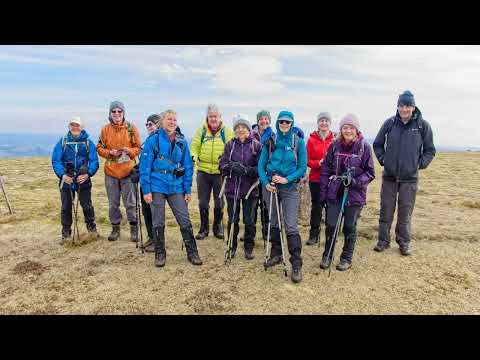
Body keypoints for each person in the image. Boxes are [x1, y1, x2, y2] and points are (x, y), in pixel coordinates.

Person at [372, 90, 436, 256]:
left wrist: (418, 164)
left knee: (405, 213)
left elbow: (430, 150)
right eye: (401, 105)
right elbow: (377, 144)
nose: (404, 109)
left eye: (408, 106)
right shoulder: (390, 123)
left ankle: (403, 243)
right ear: (398, 106)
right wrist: (383, 160)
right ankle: (383, 241)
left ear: (413, 107)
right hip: (390, 177)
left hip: (410, 179)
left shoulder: (423, 126)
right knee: (386, 209)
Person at [139, 110, 202, 267]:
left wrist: (187, 189)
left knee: (184, 219)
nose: (172, 122)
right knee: (158, 220)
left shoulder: (181, 141)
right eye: (169, 119)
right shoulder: (153, 140)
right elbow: (145, 166)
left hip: (175, 185)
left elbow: (188, 165)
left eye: (174, 119)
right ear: (162, 121)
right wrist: (146, 190)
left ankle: (192, 252)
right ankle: (160, 254)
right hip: (157, 184)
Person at [319, 114, 375, 271]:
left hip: (355, 194)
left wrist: (355, 181)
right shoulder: (334, 146)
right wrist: (323, 194)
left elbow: (370, 173)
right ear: (341, 129)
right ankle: (327, 255)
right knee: (331, 225)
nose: (348, 130)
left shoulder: (364, 147)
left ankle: (346, 258)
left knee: (349, 226)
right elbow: (325, 170)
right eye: (345, 127)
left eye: (351, 127)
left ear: (356, 129)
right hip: (335, 192)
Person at [258, 110, 307, 283]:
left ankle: (296, 263)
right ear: (278, 123)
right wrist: (265, 182)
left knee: (290, 226)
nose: (284, 125)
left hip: (290, 188)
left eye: (287, 122)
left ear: (292, 123)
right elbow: (261, 165)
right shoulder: (270, 141)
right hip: (270, 188)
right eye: (281, 122)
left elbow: (302, 167)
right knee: (273, 221)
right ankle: (276, 254)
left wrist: (287, 178)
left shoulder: (298, 142)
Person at [96, 101, 141, 242]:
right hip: (111, 172)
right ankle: (115, 229)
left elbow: (139, 147)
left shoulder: (131, 128)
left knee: (130, 203)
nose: (116, 114)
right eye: (113, 111)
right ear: (110, 114)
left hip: (128, 171)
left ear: (123, 113)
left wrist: (129, 151)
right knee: (113, 203)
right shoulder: (105, 130)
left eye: (119, 111)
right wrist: (110, 153)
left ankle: (134, 229)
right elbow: (99, 148)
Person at [219, 114, 262, 260]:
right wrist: (232, 166)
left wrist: (248, 170)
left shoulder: (256, 146)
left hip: (251, 189)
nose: (241, 129)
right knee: (233, 219)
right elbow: (222, 164)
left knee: (249, 220)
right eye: (238, 127)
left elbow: (261, 168)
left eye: (243, 127)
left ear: (249, 129)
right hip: (233, 189)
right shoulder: (229, 145)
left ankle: (248, 248)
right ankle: (231, 246)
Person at [190, 103, 234, 240]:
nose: (213, 119)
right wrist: (193, 157)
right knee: (203, 202)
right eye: (211, 117)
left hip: (220, 173)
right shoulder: (201, 131)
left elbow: (231, 149)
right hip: (203, 172)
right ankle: (203, 228)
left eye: (215, 116)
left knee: (219, 202)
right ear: (207, 118)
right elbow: (194, 146)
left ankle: (218, 226)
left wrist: (226, 162)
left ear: (220, 117)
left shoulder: (226, 132)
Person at [52, 117, 99, 244]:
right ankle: (66, 233)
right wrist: (62, 175)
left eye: (77, 125)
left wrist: (88, 174)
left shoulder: (88, 143)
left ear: (81, 127)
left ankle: (91, 229)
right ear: (69, 127)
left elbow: (94, 161)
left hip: (83, 179)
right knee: (66, 206)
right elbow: (56, 160)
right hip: (66, 179)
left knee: (87, 205)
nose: (75, 127)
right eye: (72, 125)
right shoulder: (63, 142)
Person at [130, 113, 164, 252]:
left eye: (151, 124)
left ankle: (157, 241)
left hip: (154, 183)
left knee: (153, 212)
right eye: (147, 124)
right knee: (146, 211)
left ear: (159, 124)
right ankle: (151, 237)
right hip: (145, 181)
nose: (148, 126)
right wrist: (138, 169)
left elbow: (158, 162)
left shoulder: (160, 140)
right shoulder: (149, 140)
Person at [305, 112, 335, 245]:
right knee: (316, 207)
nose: (324, 123)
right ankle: (314, 235)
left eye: (326, 121)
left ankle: (330, 234)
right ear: (318, 123)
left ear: (330, 123)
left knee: (330, 207)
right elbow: (306, 160)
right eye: (321, 121)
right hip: (316, 179)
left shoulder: (335, 140)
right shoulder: (311, 140)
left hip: (331, 180)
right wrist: (318, 163)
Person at [251, 110, 272, 241]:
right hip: (252, 175)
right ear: (257, 121)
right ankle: (250, 232)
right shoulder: (250, 135)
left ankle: (266, 232)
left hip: (266, 175)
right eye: (261, 119)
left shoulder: (273, 135)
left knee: (265, 205)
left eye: (266, 119)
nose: (264, 121)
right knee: (252, 206)